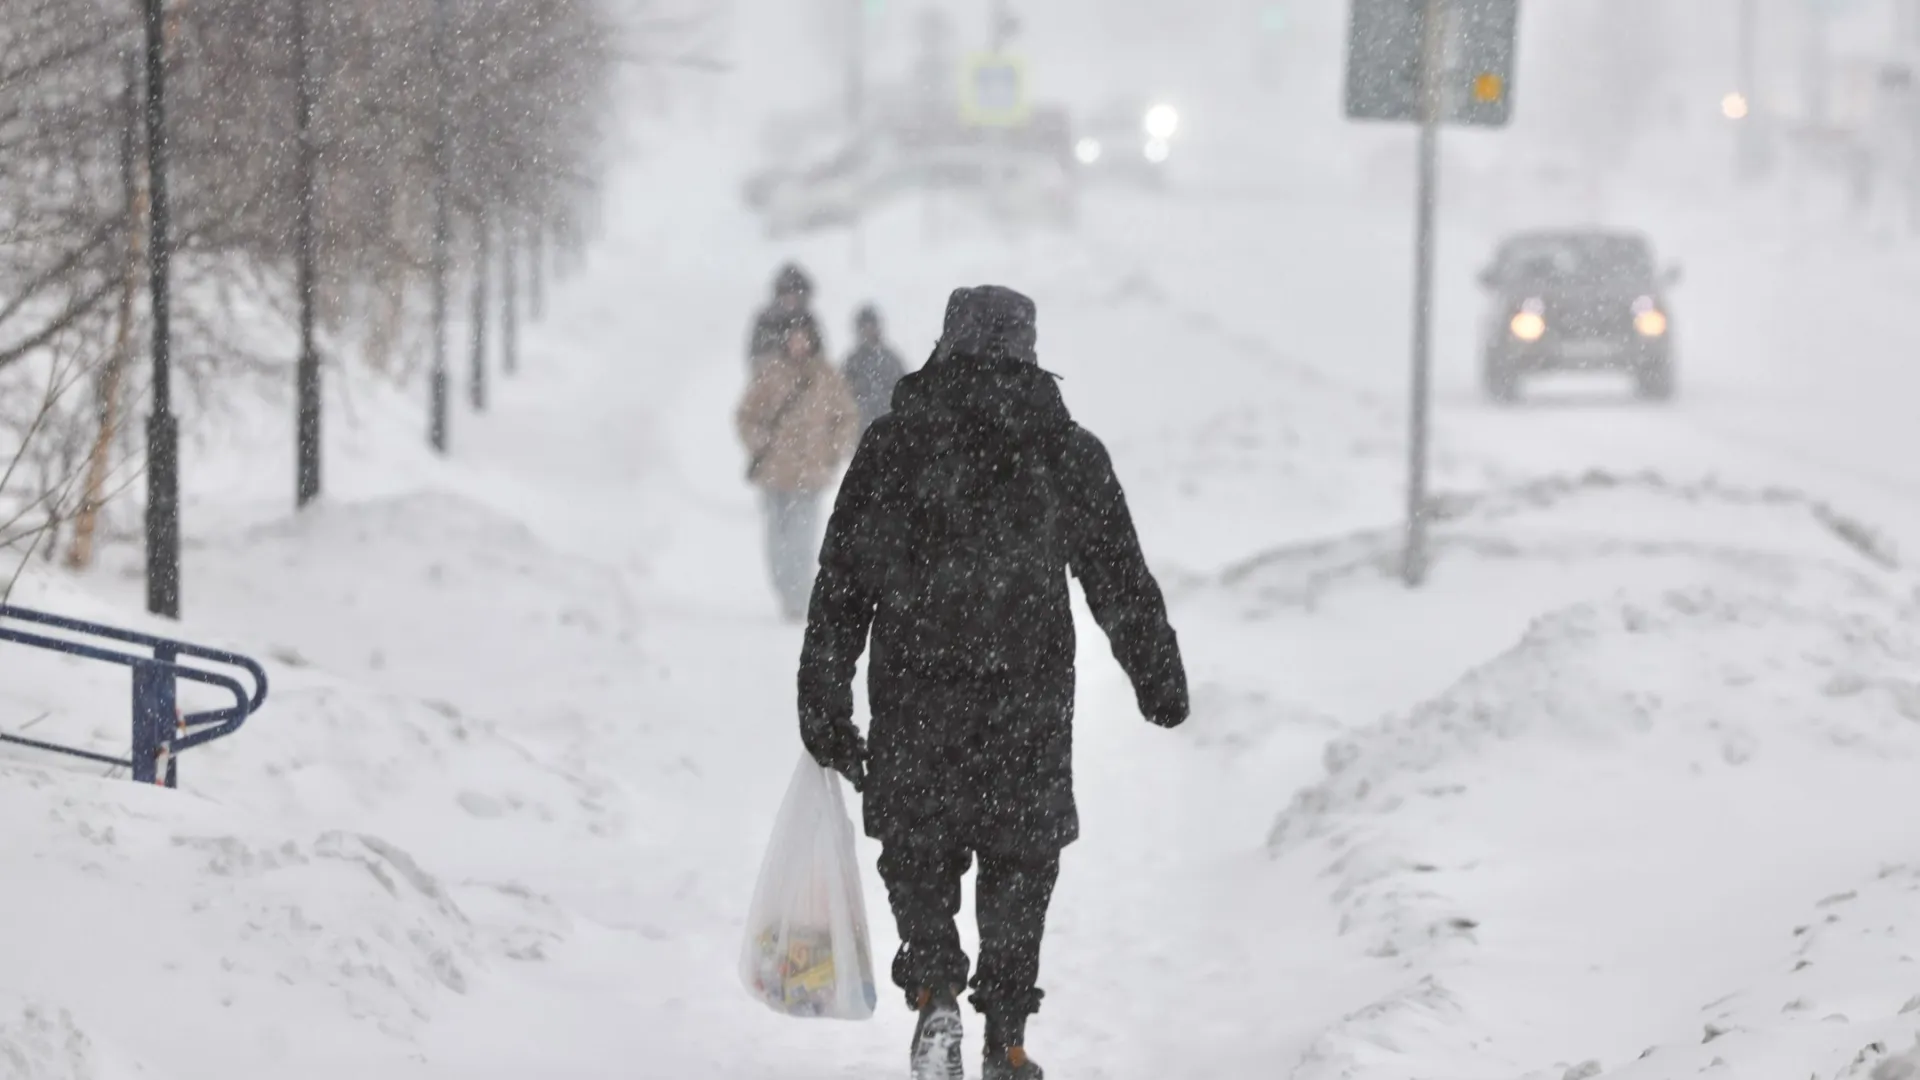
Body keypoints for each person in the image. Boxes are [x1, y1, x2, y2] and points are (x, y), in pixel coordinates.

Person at [796, 286, 1188, 1080]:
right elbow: (1119, 576)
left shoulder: (894, 447)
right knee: (1020, 861)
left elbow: (843, 580)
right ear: (1027, 350)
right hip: (1027, 696)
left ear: (948, 344)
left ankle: (936, 989)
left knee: (918, 849)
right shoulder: (1064, 450)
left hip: (916, 688)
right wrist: (1158, 675)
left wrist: (824, 695)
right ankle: (1005, 1037)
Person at [736, 317, 859, 621]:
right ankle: (783, 587)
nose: (798, 344)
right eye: (793, 338)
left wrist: (833, 449)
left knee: (802, 539)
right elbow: (746, 415)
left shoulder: (827, 376)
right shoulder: (769, 373)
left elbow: (846, 416)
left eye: (803, 338)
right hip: (774, 472)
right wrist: (759, 441)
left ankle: (798, 595)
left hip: (810, 473)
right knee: (777, 539)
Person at [843, 305, 908, 433]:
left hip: (889, 427)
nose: (868, 330)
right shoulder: (852, 361)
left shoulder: (891, 359)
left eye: (871, 326)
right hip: (860, 428)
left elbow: (904, 390)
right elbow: (843, 394)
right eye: (864, 326)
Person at [748, 263, 820, 371]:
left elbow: (820, 355)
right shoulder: (767, 321)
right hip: (774, 376)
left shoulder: (808, 320)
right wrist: (785, 348)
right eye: (788, 294)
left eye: (796, 295)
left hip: (807, 376)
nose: (792, 300)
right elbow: (757, 358)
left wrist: (806, 351)